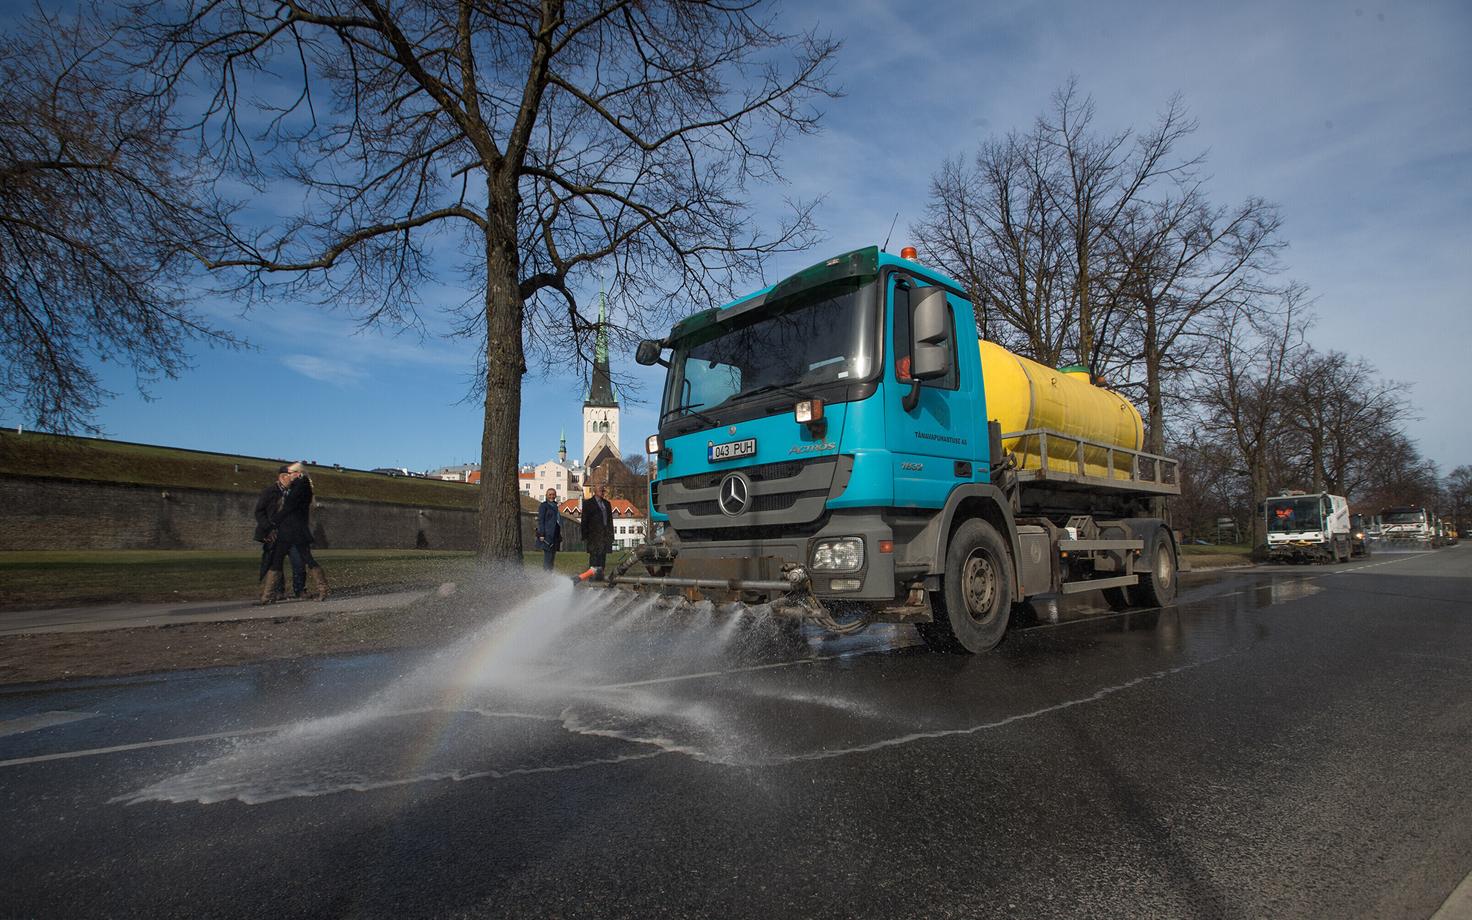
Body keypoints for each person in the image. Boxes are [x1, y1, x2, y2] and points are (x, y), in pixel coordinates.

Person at [261, 462, 329, 603]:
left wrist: (273, 521)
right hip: (289, 530)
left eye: (290, 473)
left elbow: (288, 508)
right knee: (277, 561)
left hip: (295, 530)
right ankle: (267, 596)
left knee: (305, 560)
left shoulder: (301, 487)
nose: (288, 476)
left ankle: (323, 590)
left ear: (298, 474)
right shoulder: (298, 487)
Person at [253, 466, 305, 601]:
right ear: (283, 477)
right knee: (276, 564)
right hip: (275, 534)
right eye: (292, 475)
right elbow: (259, 512)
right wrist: (268, 527)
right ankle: (278, 591)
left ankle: (299, 590)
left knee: (298, 562)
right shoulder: (269, 492)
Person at [581, 484, 615, 579]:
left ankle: (600, 575)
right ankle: (592, 576)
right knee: (594, 557)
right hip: (593, 535)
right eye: (600, 490)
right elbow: (584, 520)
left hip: (604, 534)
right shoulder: (588, 503)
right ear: (595, 491)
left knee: (602, 556)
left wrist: (611, 535)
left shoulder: (607, 504)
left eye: (603, 491)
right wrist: (584, 535)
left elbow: (610, 520)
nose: (602, 492)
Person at [535, 487, 562, 571]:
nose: (552, 496)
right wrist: (542, 534)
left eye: (553, 494)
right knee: (548, 556)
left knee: (552, 556)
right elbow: (541, 520)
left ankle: (550, 573)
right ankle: (546, 574)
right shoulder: (544, 506)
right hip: (547, 535)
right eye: (550, 494)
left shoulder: (555, 505)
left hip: (555, 535)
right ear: (546, 495)